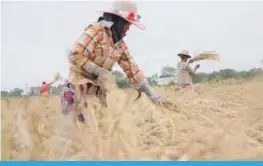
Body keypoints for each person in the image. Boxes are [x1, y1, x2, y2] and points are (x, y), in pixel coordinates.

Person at [65, 1, 164, 122]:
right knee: (76, 131)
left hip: (98, 92)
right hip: (76, 88)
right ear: (117, 21)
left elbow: (133, 70)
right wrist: (97, 70)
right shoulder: (97, 31)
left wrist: (151, 93)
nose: (128, 28)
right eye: (127, 23)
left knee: (99, 131)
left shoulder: (120, 45)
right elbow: (75, 55)